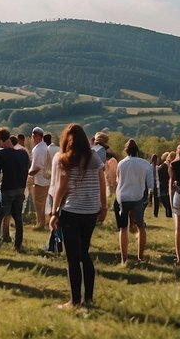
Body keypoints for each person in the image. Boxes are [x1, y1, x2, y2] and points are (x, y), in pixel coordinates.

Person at [48, 124, 106, 309]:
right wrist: (103, 207)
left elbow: (61, 188)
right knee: (84, 254)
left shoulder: (66, 160)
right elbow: (102, 184)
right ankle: (88, 298)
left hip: (72, 212)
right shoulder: (94, 157)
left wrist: (54, 212)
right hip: (90, 211)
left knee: (73, 258)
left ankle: (74, 301)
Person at [0, 127, 29, 251]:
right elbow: (26, 170)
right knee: (18, 218)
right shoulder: (23, 153)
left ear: (1, 140)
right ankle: (18, 245)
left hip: (7, 189)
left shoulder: (1, 154)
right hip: (20, 189)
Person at [115, 139, 153, 263]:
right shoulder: (145, 164)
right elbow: (151, 184)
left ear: (126, 151)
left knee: (123, 228)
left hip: (123, 197)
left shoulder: (121, 163)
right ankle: (140, 256)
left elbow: (118, 180)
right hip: (138, 196)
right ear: (137, 151)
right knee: (140, 226)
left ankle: (123, 258)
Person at [27, 127, 51, 229]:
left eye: (33, 136)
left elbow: (37, 166)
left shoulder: (39, 149)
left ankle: (40, 223)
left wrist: (29, 173)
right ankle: (40, 222)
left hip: (39, 179)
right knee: (41, 202)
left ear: (36, 136)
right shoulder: (43, 147)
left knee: (38, 203)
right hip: (44, 179)